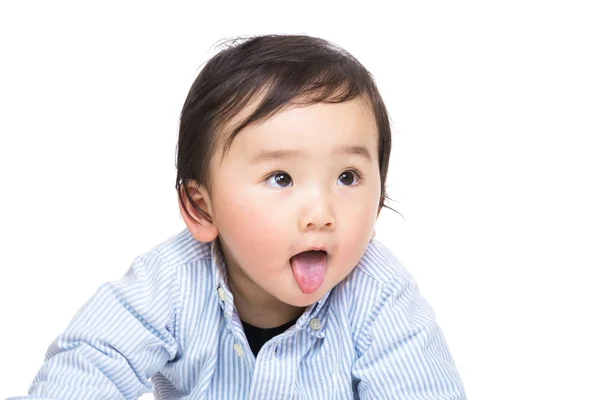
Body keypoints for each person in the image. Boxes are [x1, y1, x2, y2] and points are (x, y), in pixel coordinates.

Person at [8, 34, 466, 399]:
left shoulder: (380, 295)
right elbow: (87, 363)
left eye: (348, 177)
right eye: (281, 178)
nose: (321, 213)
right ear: (201, 207)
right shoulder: (170, 284)